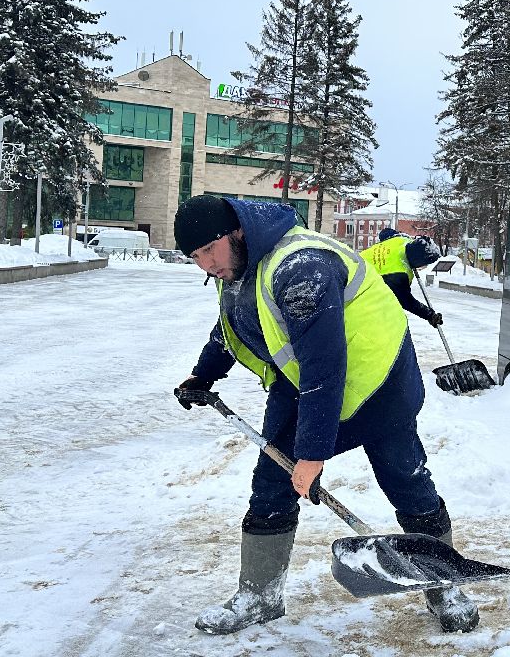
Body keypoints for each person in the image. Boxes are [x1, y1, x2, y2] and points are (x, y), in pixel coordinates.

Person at [171, 195, 478, 634]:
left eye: (207, 250)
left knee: (405, 478)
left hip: (378, 381)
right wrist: (203, 376)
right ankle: (260, 595)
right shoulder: (238, 268)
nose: (205, 265)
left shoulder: (301, 267)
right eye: (195, 257)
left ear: (235, 232)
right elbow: (233, 326)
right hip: (302, 385)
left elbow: (324, 365)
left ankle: (443, 585)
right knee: (272, 482)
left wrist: (312, 455)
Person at [365, 227, 443, 326]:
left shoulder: (401, 240)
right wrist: (429, 315)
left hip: (356, 264)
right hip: (355, 285)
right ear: (419, 261)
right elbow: (407, 301)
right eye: (425, 264)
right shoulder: (399, 273)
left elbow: (385, 233)